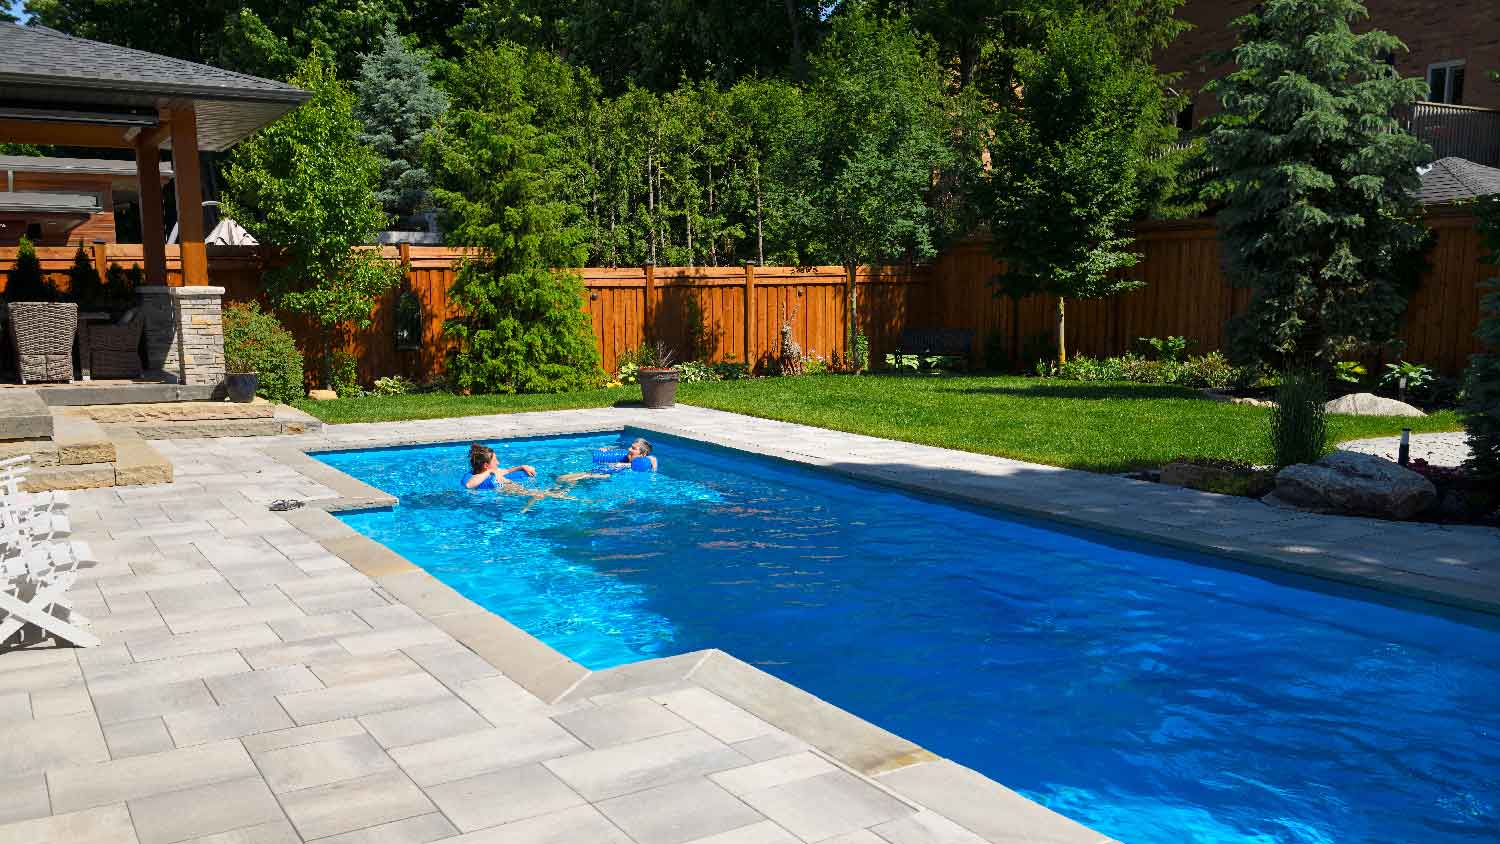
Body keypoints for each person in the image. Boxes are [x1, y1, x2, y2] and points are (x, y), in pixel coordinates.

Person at [556, 438, 657, 484]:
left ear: (643, 454)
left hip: (609, 477)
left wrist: (624, 466)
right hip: (603, 473)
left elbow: (653, 460)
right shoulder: (625, 458)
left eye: (633, 448)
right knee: (561, 479)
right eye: (630, 446)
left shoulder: (645, 462)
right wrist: (607, 451)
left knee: (564, 479)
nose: (629, 449)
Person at [464, 443, 536, 490]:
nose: (498, 462)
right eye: (495, 461)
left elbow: (507, 471)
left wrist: (521, 467)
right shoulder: (475, 476)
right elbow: (468, 485)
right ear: (486, 465)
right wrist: (490, 472)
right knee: (502, 480)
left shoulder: (492, 472)